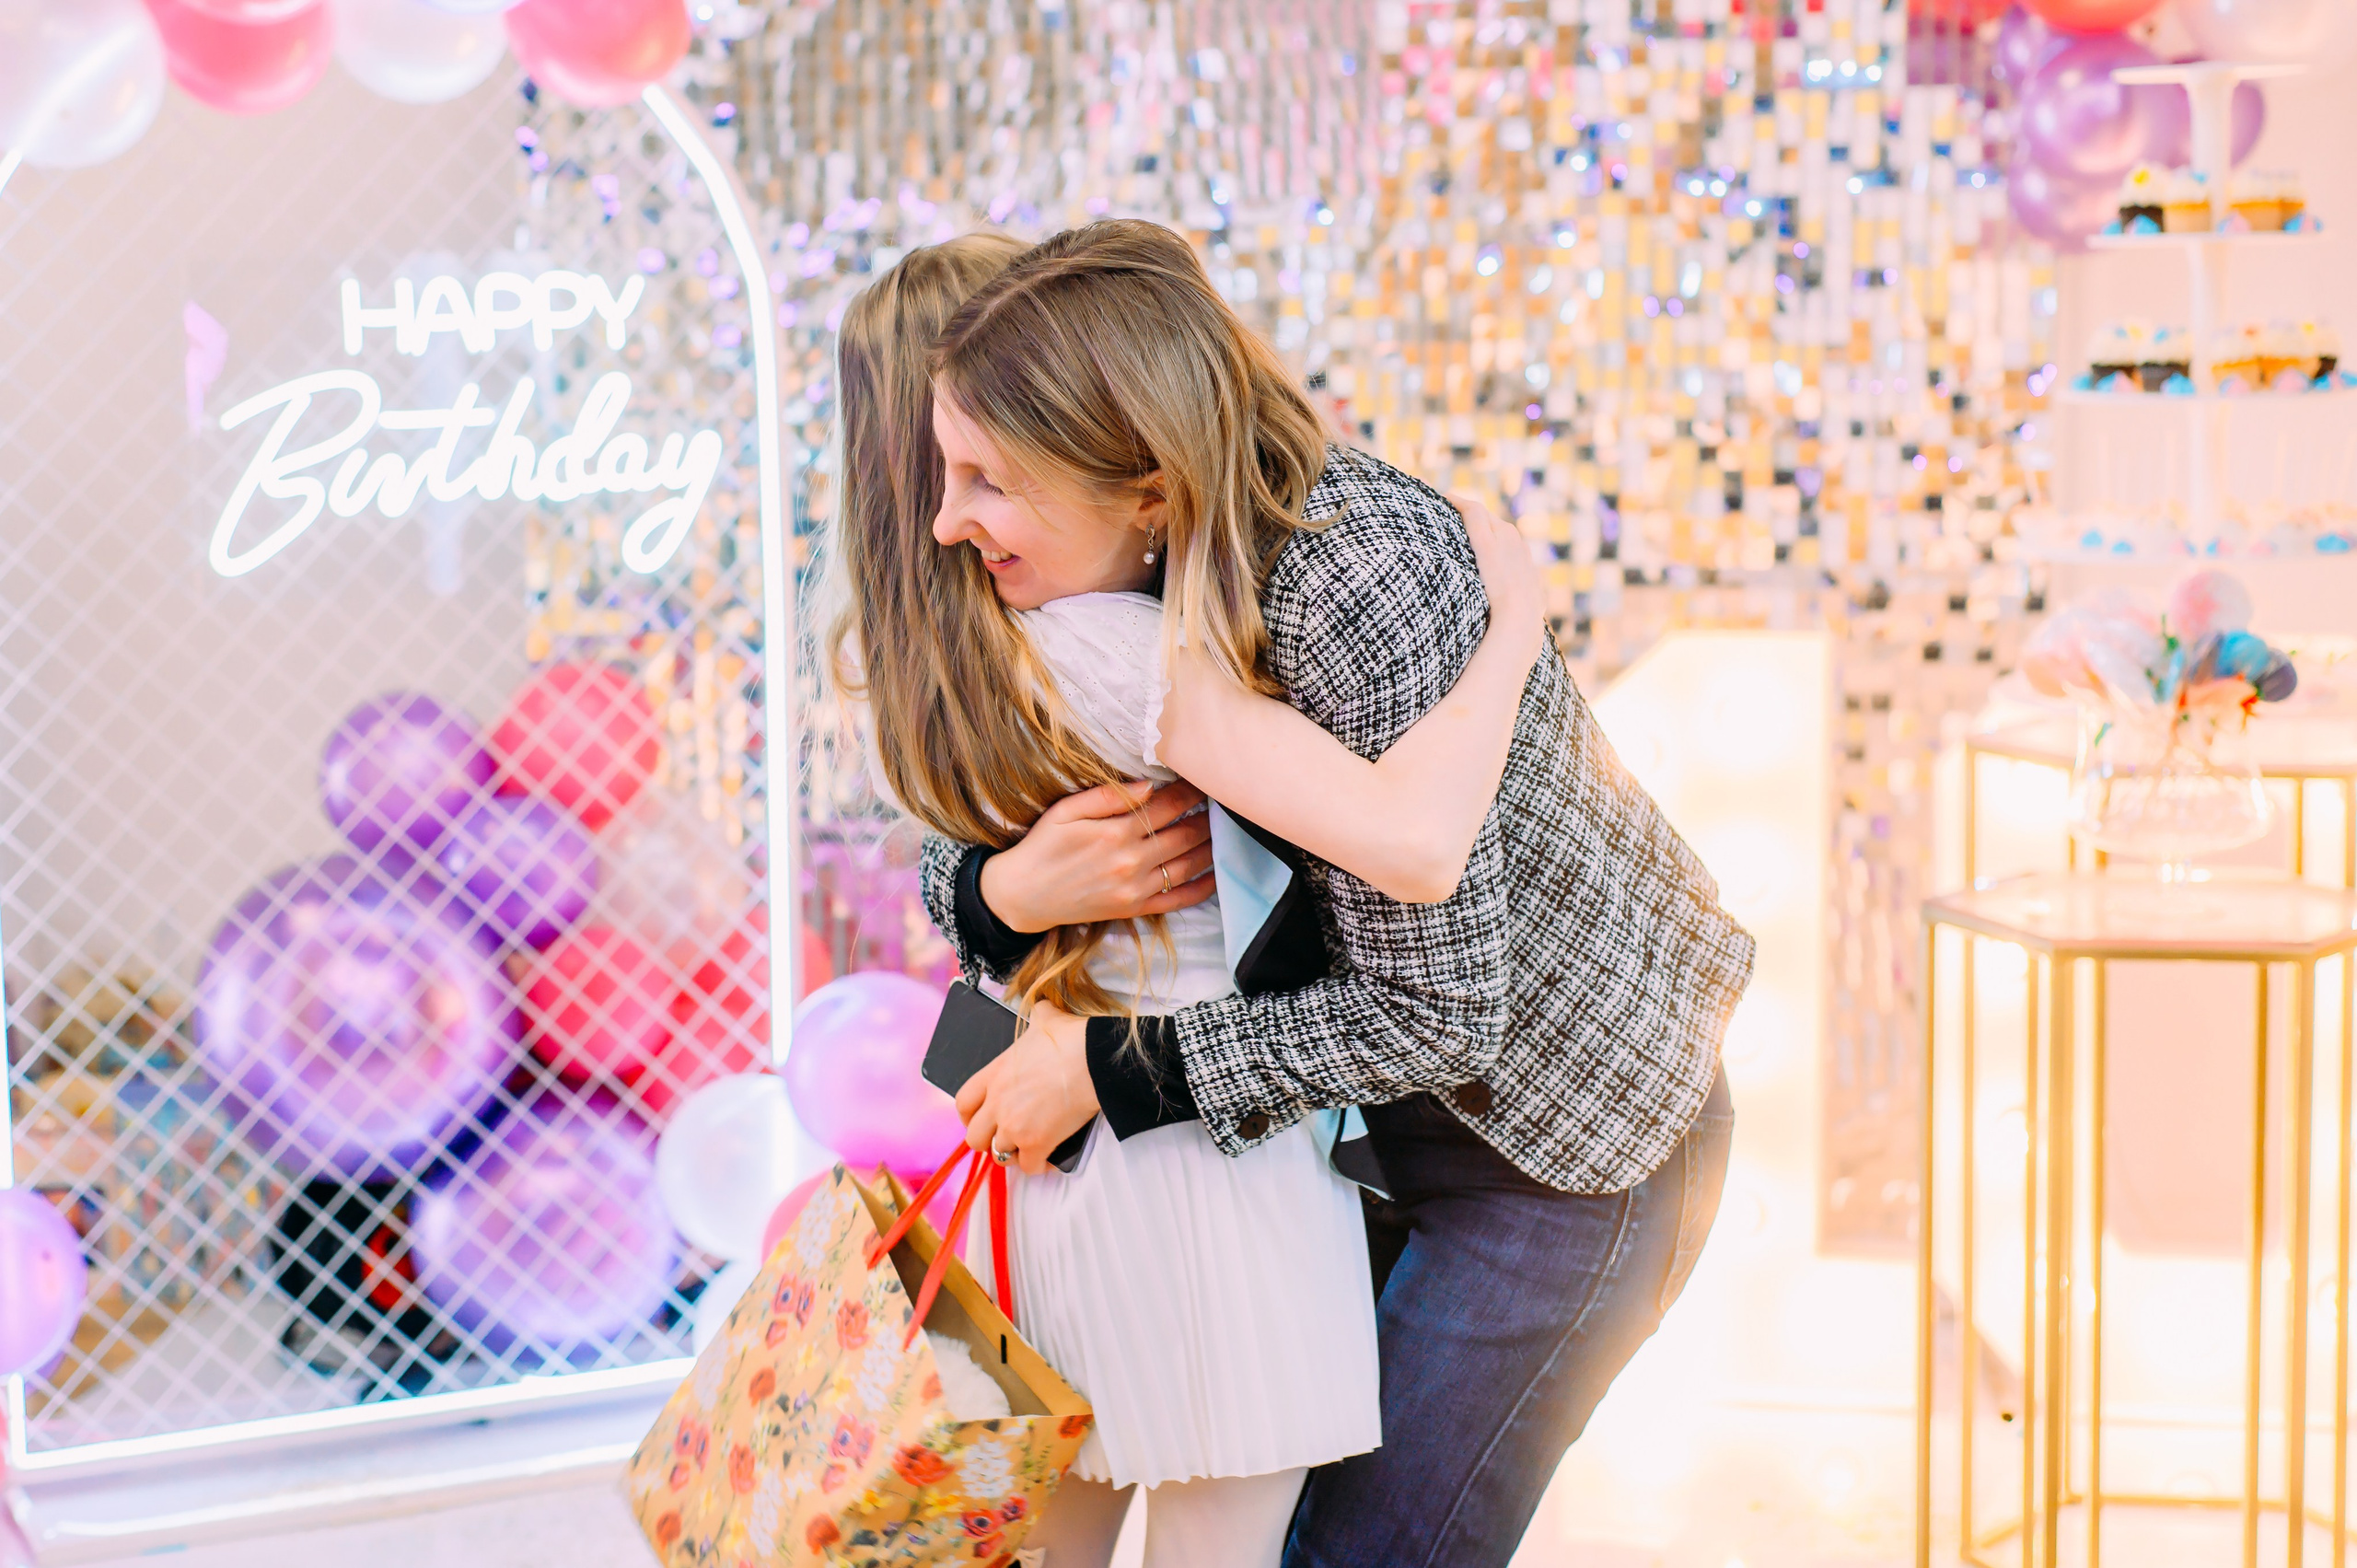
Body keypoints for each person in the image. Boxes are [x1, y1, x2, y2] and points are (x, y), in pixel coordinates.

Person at [922, 219, 1756, 1568]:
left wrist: (1110, 1069)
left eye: (985, 479)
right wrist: (1001, 884)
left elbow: (1442, 1013)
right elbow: (944, 815)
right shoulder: (1106, 595)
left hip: (1558, 1152)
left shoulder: (1349, 581)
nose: (947, 520)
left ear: (1139, 480)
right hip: (1349, 1137)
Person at [821, 233, 1547, 1568]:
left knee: (1054, 1528)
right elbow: (1412, 841)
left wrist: (995, 902)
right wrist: (1513, 636)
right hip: (1204, 1172)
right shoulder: (1119, 651)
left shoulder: (928, 674)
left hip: (1039, 1171)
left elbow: (954, 979)